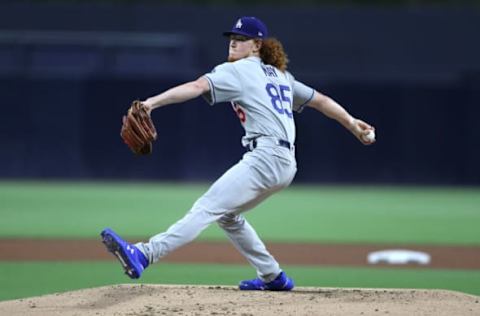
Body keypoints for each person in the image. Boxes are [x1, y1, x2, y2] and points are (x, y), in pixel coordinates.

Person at [101, 16, 375, 291]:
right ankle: (272, 276)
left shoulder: (238, 70)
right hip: (285, 163)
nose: (234, 41)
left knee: (206, 208)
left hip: (265, 158)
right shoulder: (281, 76)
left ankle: (145, 254)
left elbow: (197, 87)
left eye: (242, 38)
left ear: (257, 45)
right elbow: (321, 101)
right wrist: (352, 124)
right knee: (227, 215)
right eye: (232, 37)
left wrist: (151, 103)